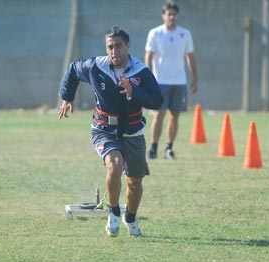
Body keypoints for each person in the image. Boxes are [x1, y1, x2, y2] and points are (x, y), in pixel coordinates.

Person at [58, 26, 163, 237]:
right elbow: (72, 69)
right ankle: (114, 212)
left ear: (128, 46)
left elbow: (157, 101)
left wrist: (135, 92)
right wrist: (67, 97)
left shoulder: (141, 72)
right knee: (114, 165)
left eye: (119, 46)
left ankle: (130, 217)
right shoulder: (96, 66)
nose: (114, 52)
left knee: (134, 182)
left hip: (132, 131)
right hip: (103, 129)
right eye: (110, 47)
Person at [145, 1, 199, 160]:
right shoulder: (155, 33)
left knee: (175, 116)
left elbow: (190, 56)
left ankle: (169, 148)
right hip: (159, 81)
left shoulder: (185, 34)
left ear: (177, 16)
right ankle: (153, 147)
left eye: (174, 14)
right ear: (163, 16)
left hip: (179, 81)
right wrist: (149, 78)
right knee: (159, 115)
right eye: (169, 14)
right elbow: (148, 55)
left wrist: (195, 77)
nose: (172, 17)